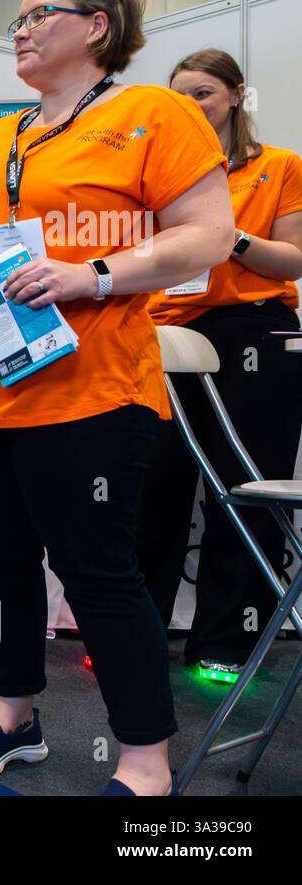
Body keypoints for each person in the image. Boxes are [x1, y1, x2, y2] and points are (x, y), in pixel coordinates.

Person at [0, 0, 234, 795]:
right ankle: (13, 716)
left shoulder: (150, 112)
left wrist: (90, 272)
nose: (19, 29)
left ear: (96, 27)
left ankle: (144, 761)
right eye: (15, 19)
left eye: (38, 14)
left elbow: (205, 236)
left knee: (98, 570)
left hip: (89, 389)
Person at [138, 49, 302, 677]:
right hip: (164, 334)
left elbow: (292, 260)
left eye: (203, 94)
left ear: (237, 96)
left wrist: (223, 236)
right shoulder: (159, 182)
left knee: (245, 487)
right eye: (179, 97)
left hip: (252, 334)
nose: (192, 107)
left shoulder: (279, 166)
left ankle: (226, 645)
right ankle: (138, 633)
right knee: (154, 488)